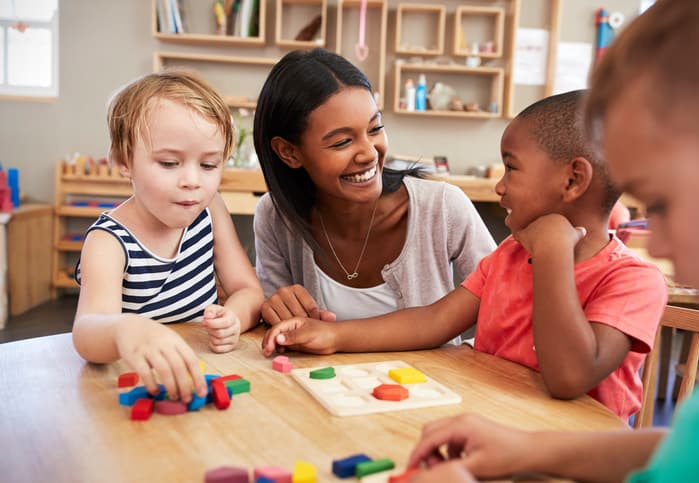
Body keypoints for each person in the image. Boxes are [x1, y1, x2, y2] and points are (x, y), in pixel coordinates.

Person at [406, 1, 699, 481]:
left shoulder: (627, 276)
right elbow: (683, 451)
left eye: (661, 202)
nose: (655, 245)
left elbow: (570, 378)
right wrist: (526, 450)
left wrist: (554, 251)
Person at [262, 88, 669, 420]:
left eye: (511, 168)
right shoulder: (509, 256)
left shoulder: (634, 281)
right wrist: (333, 335)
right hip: (494, 431)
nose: (500, 187)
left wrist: (552, 255)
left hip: (575, 459)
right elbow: (433, 320)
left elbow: (568, 378)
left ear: (573, 179)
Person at [252, 48, 496, 331]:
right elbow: (279, 332)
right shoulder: (276, 216)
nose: (369, 153)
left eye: (375, 128)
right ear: (289, 152)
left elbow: (506, 303)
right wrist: (272, 308)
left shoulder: (443, 207)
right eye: (342, 142)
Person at [73, 70, 264, 403]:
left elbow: (249, 290)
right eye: (169, 162)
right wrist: (124, 330)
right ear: (123, 160)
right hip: (134, 384)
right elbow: (87, 333)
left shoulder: (211, 210)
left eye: (208, 166)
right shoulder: (108, 241)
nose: (192, 180)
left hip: (201, 374)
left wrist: (234, 316)